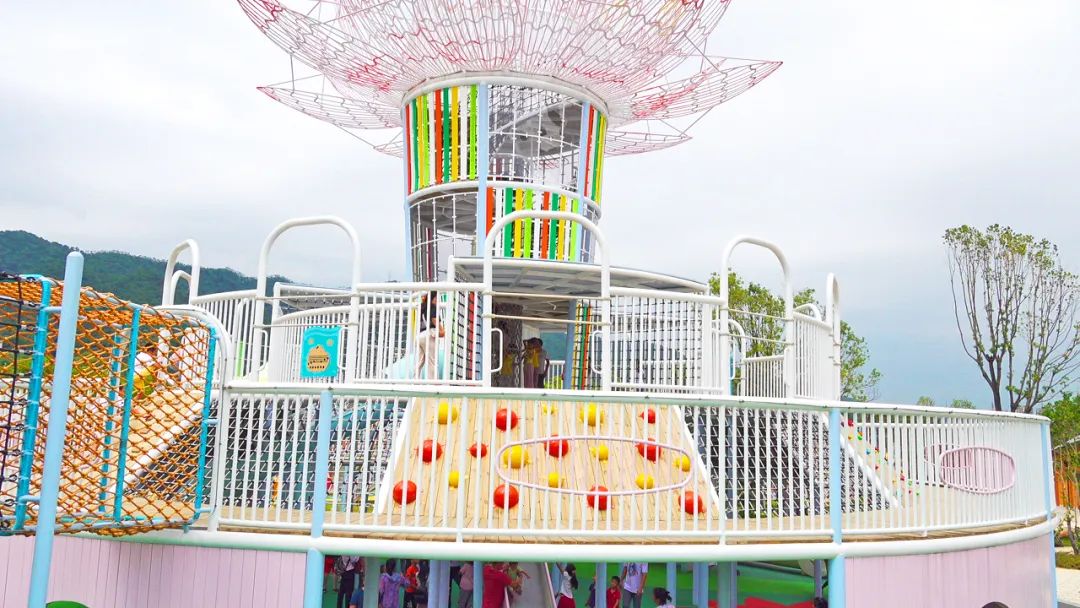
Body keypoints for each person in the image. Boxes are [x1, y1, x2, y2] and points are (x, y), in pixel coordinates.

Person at [416, 292, 445, 380]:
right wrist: (441, 331)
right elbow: (435, 321)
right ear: (433, 298)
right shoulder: (433, 308)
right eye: (437, 297)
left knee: (419, 362)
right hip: (429, 335)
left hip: (420, 336)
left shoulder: (422, 308)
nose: (438, 300)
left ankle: (414, 381)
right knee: (432, 361)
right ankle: (432, 383)